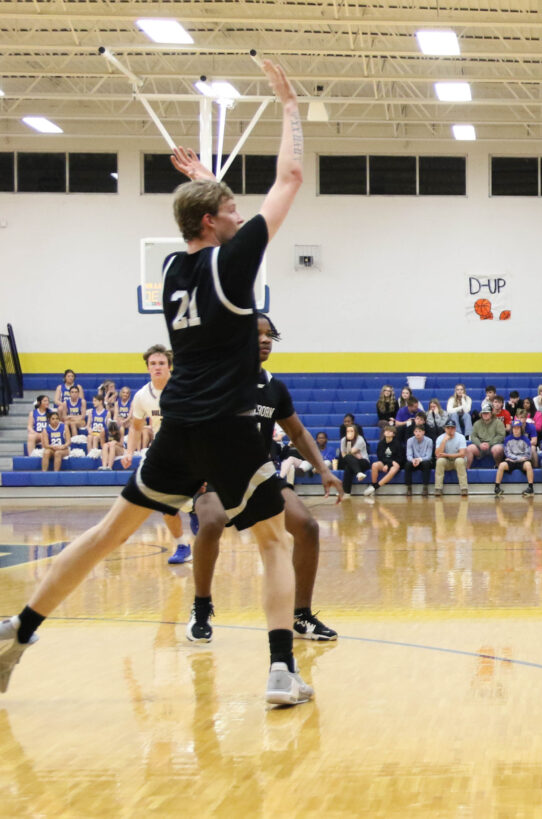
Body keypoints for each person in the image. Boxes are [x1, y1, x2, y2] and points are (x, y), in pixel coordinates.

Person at [0, 61, 315, 706]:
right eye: (229, 208)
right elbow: (290, 177)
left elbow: (200, 216)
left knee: (107, 532)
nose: (237, 213)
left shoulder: (173, 268)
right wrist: (289, 107)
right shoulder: (234, 263)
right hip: (230, 424)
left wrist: (202, 182)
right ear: (214, 224)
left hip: (179, 427)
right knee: (273, 540)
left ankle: (20, 627)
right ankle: (281, 670)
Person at [186, 313, 343, 643]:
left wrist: (324, 470)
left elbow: (297, 432)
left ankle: (300, 615)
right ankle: (201, 607)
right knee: (212, 521)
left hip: (260, 475)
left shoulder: (274, 388)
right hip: (217, 474)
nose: (265, 339)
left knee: (308, 527)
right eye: (256, 334)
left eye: (269, 334)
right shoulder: (218, 381)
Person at [120, 344, 193, 565]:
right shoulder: (142, 396)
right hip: (163, 452)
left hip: (191, 448)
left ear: (170, 366)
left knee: (198, 499)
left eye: (161, 363)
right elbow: (136, 427)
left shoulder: (184, 388)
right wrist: (129, 451)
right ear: (148, 367)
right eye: (153, 364)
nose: (157, 367)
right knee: (164, 503)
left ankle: (197, 509)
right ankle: (182, 545)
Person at [494, 419, 535, 496]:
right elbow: (507, 452)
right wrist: (517, 459)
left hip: (521, 460)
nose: (516, 430)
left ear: (521, 429)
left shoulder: (526, 439)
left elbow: (528, 454)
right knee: (501, 465)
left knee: (528, 465)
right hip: (512, 460)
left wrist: (517, 459)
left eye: (518, 428)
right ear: (512, 429)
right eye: (514, 428)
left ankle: (530, 488)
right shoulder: (507, 439)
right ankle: (497, 488)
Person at [366, 424, 405, 496]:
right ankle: (373, 484)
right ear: (384, 433)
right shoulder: (381, 444)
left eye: (390, 431)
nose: (387, 432)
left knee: (395, 467)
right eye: (386, 431)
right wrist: (388, 464)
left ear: (393, 434)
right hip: (385, 462)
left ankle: (376, 486)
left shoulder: (398, 444)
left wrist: (389, 464)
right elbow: (380, 457)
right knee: (375, 465)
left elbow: (400, 458)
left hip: (395, 464)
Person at [434, 418, 469, 495]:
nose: (450, 429)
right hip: (447, 461)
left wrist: (446, 455)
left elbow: (462, 454)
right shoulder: (440, 438)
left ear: (455, 428)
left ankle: (464, 488)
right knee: (440, 461)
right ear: (445, 428)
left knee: (459, 461)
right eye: (448, 428)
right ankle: (438, 488)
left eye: (452, 427)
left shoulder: (461, 437)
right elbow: (437, 454)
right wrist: (444, 441)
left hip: (458, 460)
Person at [467, 402, 505, 468]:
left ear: (491, 413)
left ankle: (498, 466)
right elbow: (473, 436)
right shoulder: (477, 423)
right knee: (469, 448)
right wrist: (479, 444)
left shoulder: (498, 423)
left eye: (487, 413)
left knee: (497, 449)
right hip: (480, 445)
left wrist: (490, 443)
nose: (485, 415)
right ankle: (466, 469)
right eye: (483, 413)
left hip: (494, 445)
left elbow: (501, 435)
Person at [337, 423, 370, 497]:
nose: (349, 433)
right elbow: (343, 455)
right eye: (348, 431)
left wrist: (348, 444)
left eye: (352, 431)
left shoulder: (360, 439)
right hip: (351, 462)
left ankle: (346, 491)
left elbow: (350, 452)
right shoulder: (343, 440)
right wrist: (348, 441)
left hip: (363, 462)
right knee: (348, 467)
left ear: (355, 432)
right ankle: (347, 492)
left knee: (348, 458)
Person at [405, 423, 434, 495]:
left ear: (423, 432)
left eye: (420, 431)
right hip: (414, 461)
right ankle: (409, 488)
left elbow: (428, 456)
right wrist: (413, 460)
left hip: (424, 461)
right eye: (416, 431)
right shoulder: (410, 440)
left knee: (426, 463)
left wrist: (419, 460)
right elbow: (409, 455)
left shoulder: (429, 441)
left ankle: (425, 487)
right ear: (414, 432)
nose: (417, 433)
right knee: (407, 464)